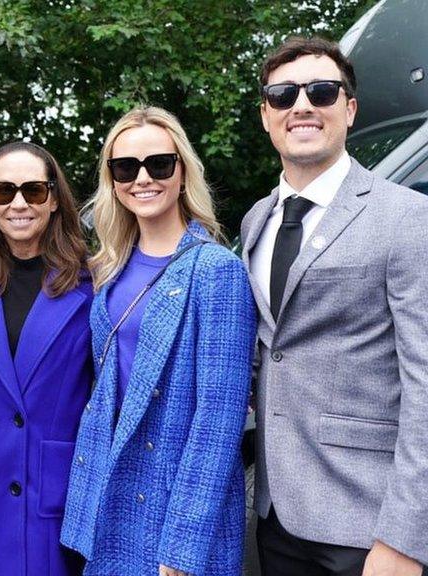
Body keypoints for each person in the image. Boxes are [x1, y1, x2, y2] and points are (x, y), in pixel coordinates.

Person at [241, 36, 428, 576]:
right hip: (276, 518)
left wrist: (406, 539)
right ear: (266, 116)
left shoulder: (407, 218)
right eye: (283, 95)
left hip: (368, 528)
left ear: (348, 108)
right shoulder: (258, 220)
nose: (302, 105)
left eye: (321, 91)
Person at [61, 106, 257, 575]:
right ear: (112, 179)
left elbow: (219, 421)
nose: (142, 178)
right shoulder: (108, 269)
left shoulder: (216, 270)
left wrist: (183, 549)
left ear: (183, 171)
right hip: (112, 495)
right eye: (125, 167)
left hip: (175, 506)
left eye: (159, 164)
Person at [0, 141, 91, 576]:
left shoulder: (92, 286)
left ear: (55, 200)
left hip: (48, 497)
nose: (19, 204)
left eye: (34, 191)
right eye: (4, 191)